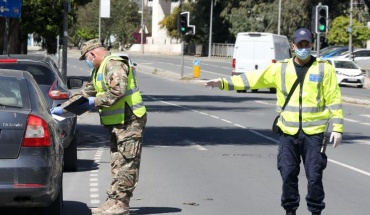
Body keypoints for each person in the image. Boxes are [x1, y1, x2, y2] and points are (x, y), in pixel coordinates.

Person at [205, 28, 343, 215]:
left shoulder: (323, 68)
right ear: (293, 46)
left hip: (314, 134)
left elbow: (334, 98)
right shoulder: (281, 68)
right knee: (287, 173)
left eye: (307, 44)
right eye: (300, 44)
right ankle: (290, 210)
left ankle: (315, 211)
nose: (303, 47)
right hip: (288, 132)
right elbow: (253, 79)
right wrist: (223, 82)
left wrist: (338, 129)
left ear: (312, 45)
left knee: (314, 176)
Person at [51, 38, 147, 215]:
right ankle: (113, 200)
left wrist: (94, 102)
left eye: (87, 58)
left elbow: (118, 91)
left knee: (127, 162)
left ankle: (122, 204)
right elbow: (86, 92)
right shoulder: (99, 70)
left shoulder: (114, 65)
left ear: (92, 54)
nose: (88, 62)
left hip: (130, 120)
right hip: (117, 123)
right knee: (117, 163)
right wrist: (63, 108)